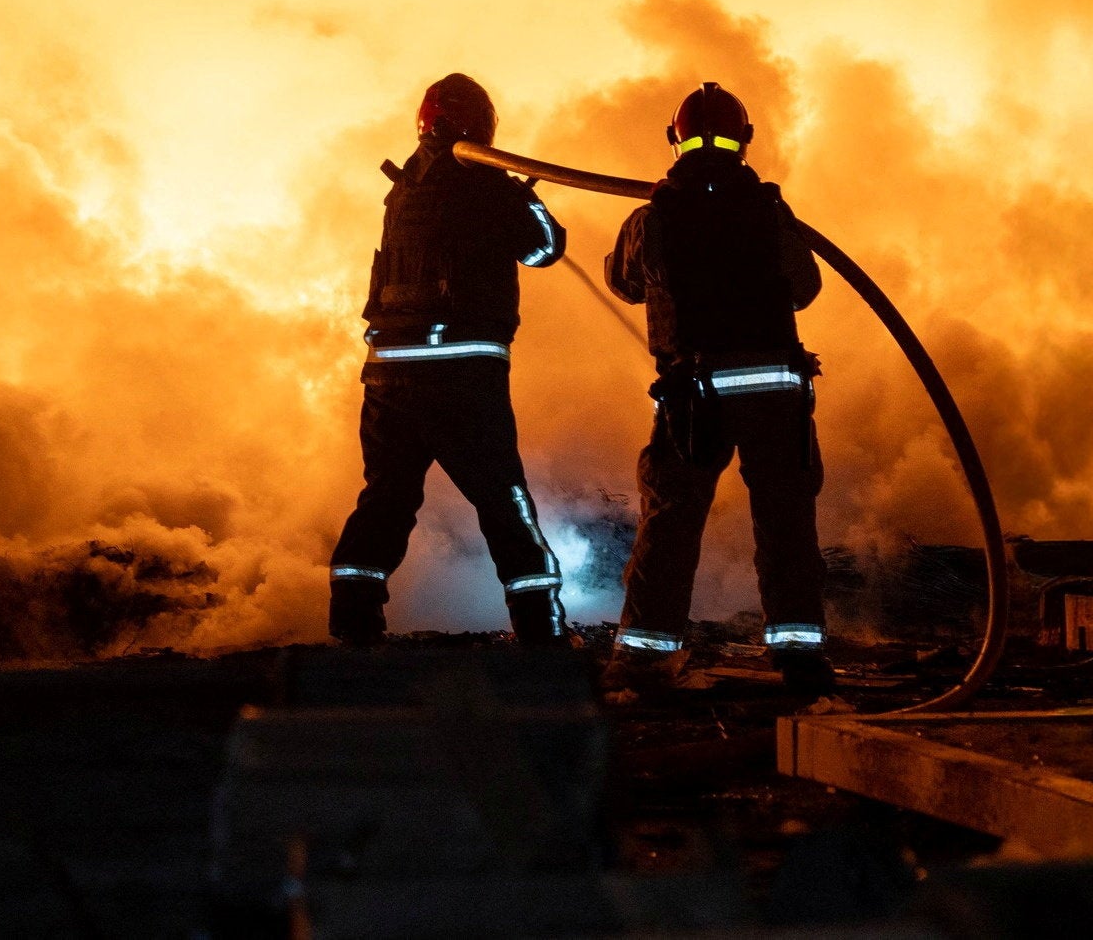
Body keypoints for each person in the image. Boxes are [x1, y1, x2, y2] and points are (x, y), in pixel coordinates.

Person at [603, 82, 833, 696]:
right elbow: (805, 288)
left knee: (672, 522)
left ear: (673, 137)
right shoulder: (770, 210)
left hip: (696, 395)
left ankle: (646, 658)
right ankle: (800, 656)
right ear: (745, 139)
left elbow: (623, 282)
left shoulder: (654, 215)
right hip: (773, 394)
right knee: (785, 522)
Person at [328, 73, 571, 645]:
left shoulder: (403, 187)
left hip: (388, 375)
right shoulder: (486, 186)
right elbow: (545, 249)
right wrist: (521, 191)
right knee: (504, 502)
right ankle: (542, 635)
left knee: (385, 497)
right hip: (460, 377)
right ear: (483, 126)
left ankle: (353, 623)